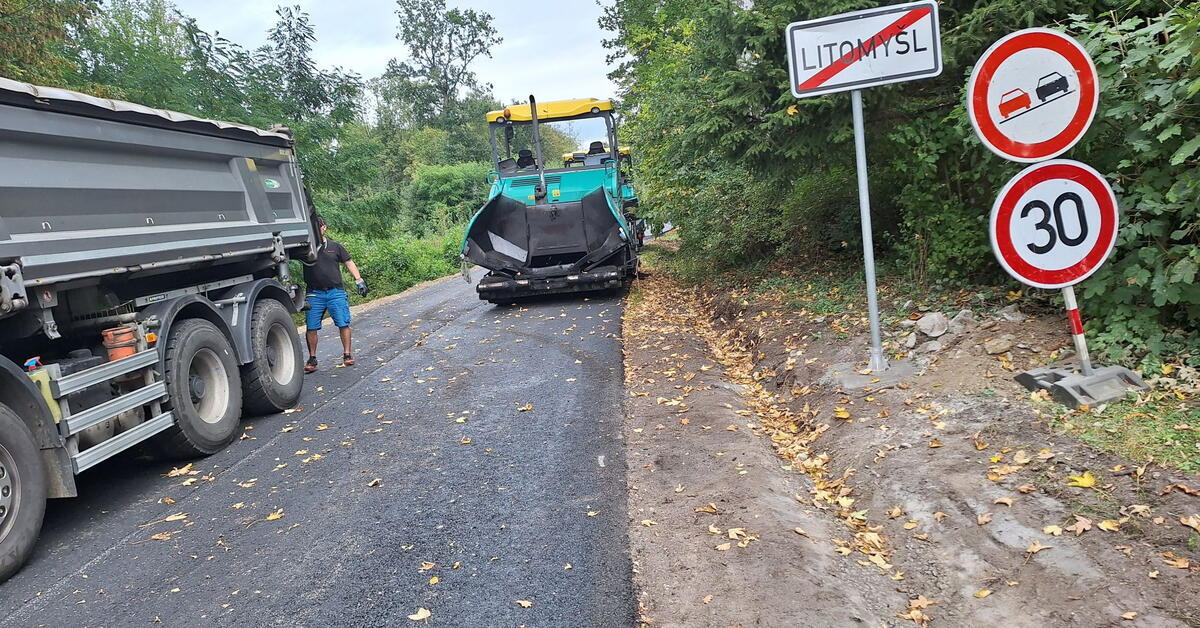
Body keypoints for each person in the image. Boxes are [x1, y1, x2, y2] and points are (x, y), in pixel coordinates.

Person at [302, 215, 367, 372]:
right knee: (311, 327)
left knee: (343, 323)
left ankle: (347, 354)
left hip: (335, 291)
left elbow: (349, 262)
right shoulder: (305, 248)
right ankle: (312, 358)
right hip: (314, 294)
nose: (315, 230)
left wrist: (359, 280)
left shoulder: (335, 247)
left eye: (318, 227)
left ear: (324, 228)